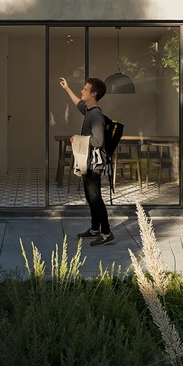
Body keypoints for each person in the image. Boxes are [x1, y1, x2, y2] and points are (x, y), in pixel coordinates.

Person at [59, 75, 115, 246]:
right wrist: (67, 88)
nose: (82, 90)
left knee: (95, 198)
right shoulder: (89, 110)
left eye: (85, 89)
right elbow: (79, 104)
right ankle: (95, 229)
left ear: (94, 94)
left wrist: (78, 138)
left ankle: (106, 233)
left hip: (94, 164)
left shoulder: (96, 115)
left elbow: (98, 141)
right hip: (88, 162)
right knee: (90, 198)